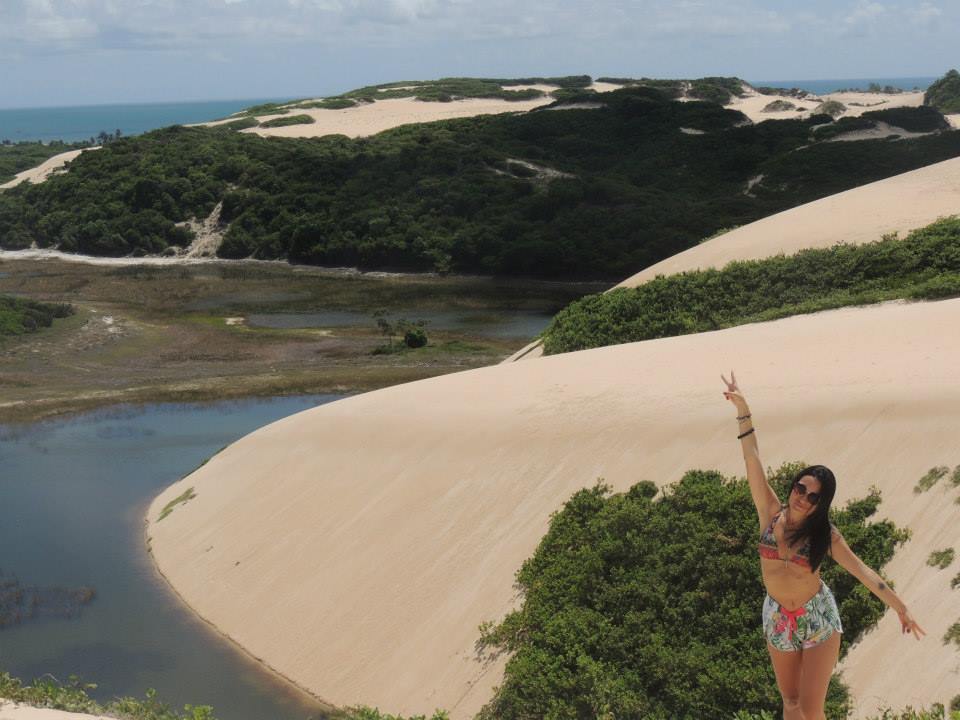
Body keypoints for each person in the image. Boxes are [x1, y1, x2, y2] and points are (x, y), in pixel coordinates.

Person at [720, 370, 925, 720]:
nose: (803, 497)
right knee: (790, 703)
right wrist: (743, 410)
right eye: (800, 488)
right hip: (778, 617)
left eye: (813, 496)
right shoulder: (770, 513)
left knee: (811, 709)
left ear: (820, 504)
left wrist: (900, 607)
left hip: (817, 617)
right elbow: (752, 460)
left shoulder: (824, 536)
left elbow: (863, 572)